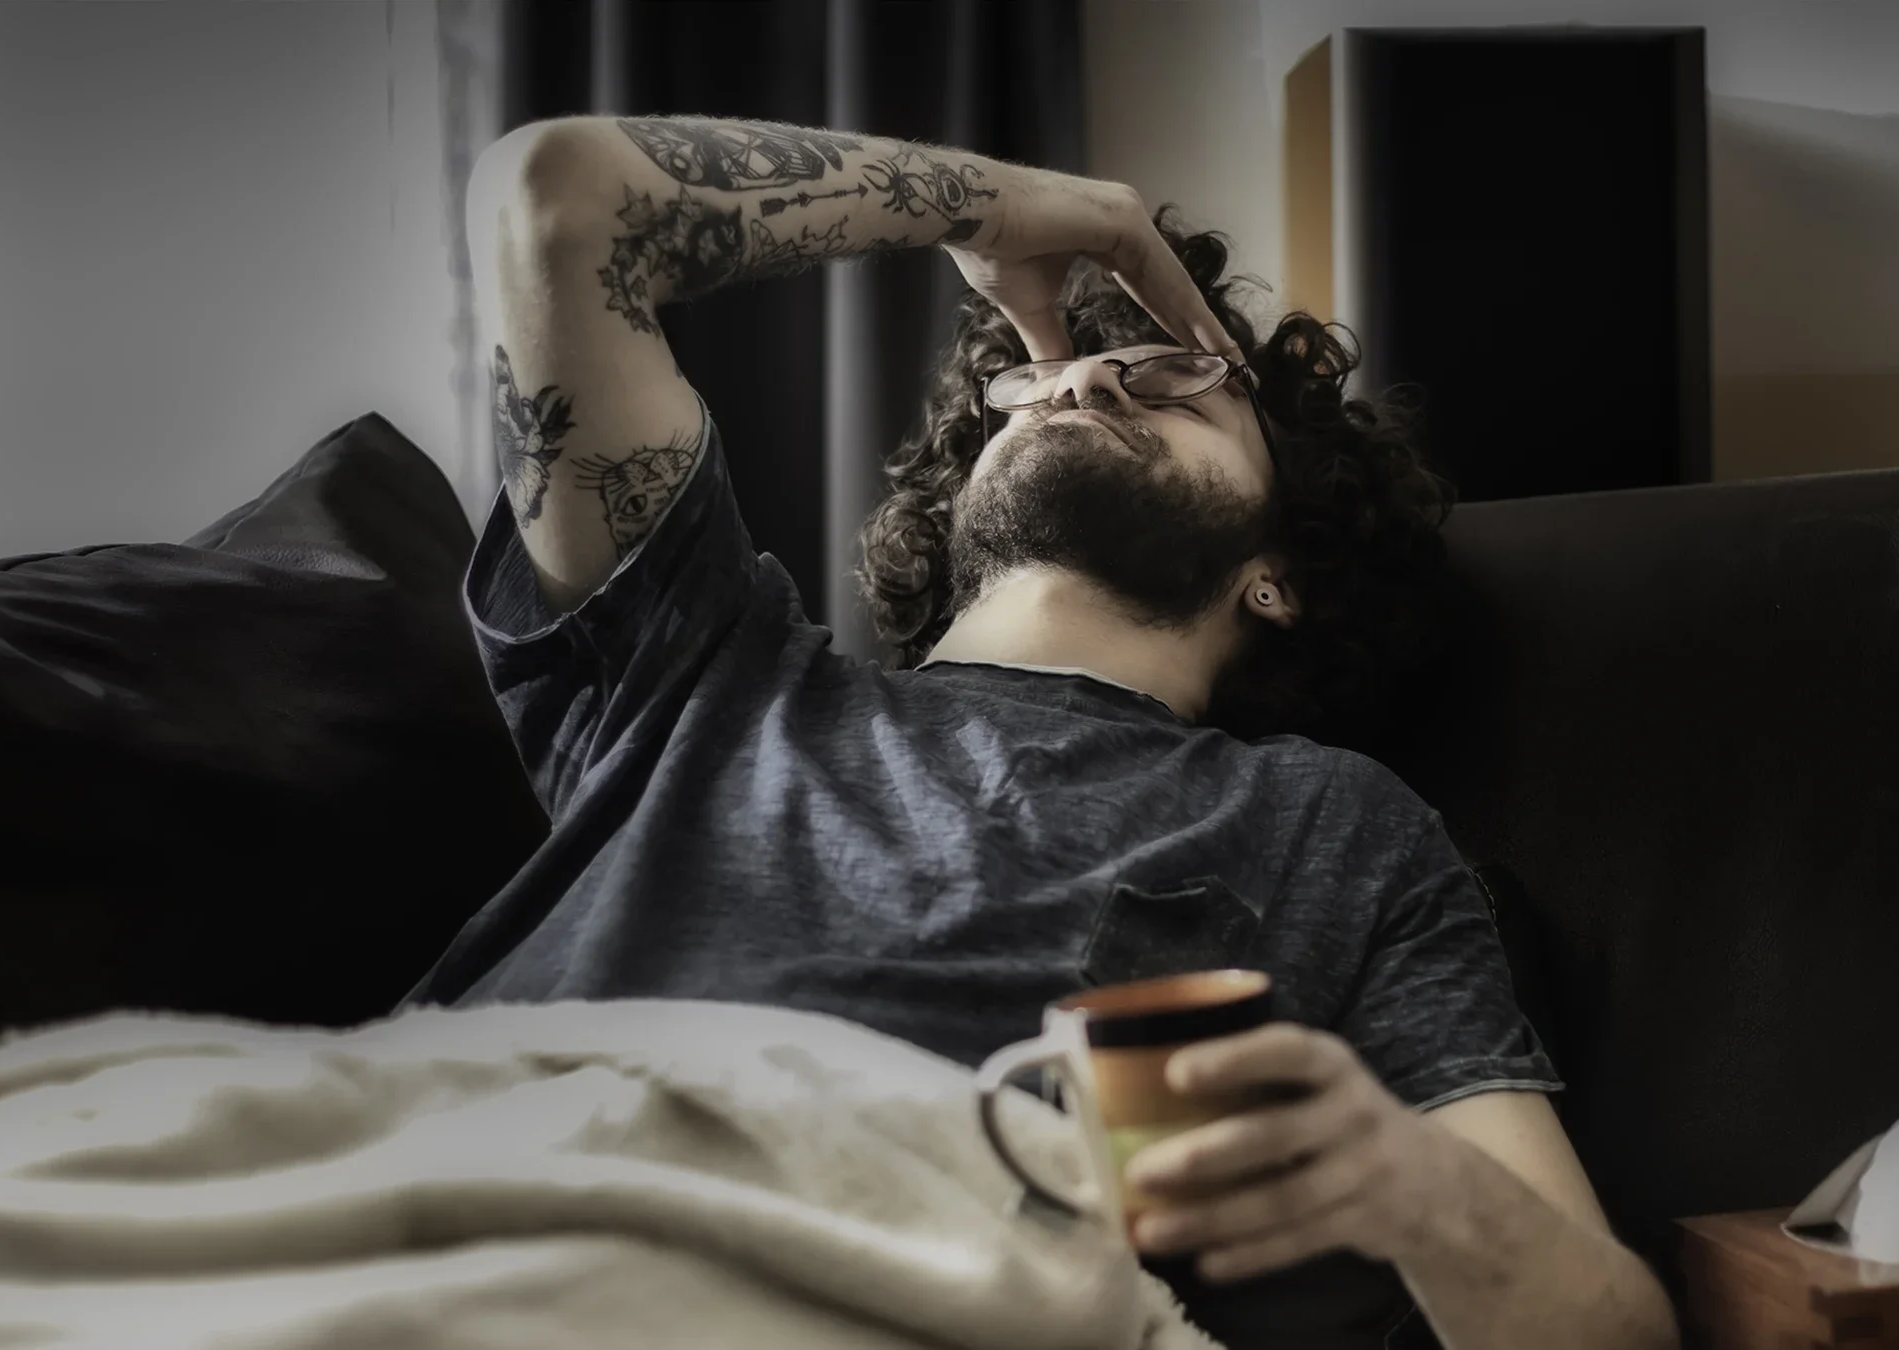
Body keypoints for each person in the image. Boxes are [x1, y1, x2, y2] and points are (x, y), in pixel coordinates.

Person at [407, 114, 1679, 1350]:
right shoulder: (706, 663)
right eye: (1038, 373)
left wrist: (1404, 1177)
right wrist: (1022, 213)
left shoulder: (1337, 824)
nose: (1082, 375)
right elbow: (555, 197)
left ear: (1280, 576)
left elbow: (1609, 1332)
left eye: (1176, 378)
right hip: (437, 1218)